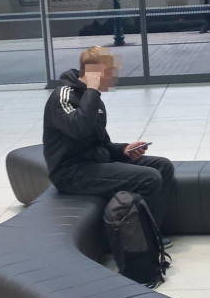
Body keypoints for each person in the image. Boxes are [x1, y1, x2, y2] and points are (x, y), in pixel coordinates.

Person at [43, 46, 175, 248]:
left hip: (93, 161)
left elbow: (102, 143)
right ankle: (143, 243)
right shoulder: (63, 97)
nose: (114, 78)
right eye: (110, 72)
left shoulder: (93, 99)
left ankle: (152, 232)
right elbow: (79, 128)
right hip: (71, 172)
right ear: (95, 72)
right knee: (149, 178)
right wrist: (92, 90)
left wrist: (123, 150)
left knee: (163, 167)